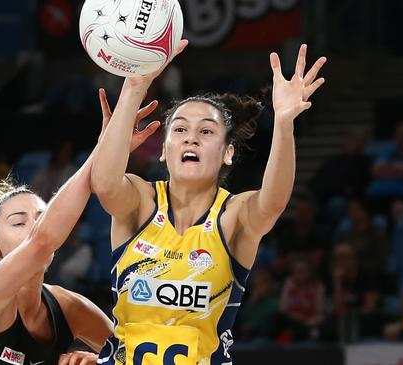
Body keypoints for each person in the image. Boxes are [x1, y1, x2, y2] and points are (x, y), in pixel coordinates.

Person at [91, 42, 326, 364]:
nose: (191, 138)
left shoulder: (233, 216)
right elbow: (103, 183)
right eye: (180, 129)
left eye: (206, 131)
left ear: (228, 152)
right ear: (163, 149)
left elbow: (272, 204)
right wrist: (135, 86)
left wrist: (284, 123)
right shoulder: (141, 200)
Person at [0, 99, 159, 365]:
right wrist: (103, 148)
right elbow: (42, 240)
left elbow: (131, 358)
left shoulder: (67, 307)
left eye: (41, 218)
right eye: (18, 222)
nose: (34, 228)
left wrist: (100, 362)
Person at [367, 121, 403, 198]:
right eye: (402, 135)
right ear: (396, 136)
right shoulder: (387, 153)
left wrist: (388, 169)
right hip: (377, 195)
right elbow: (376, 171)